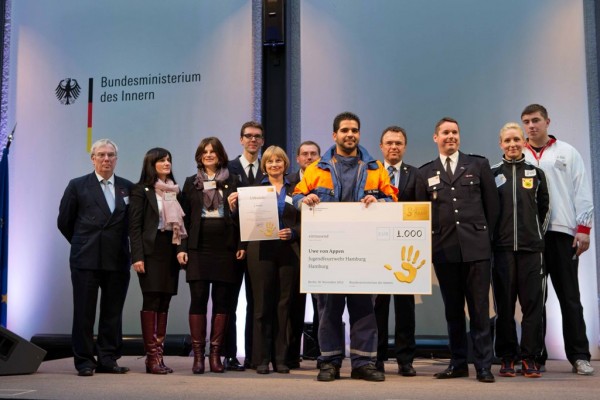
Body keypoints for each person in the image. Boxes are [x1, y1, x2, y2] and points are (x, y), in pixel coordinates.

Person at [292, 112, 397, 382]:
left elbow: (391, 198)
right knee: (328, 310)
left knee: (364, 310)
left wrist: (380, 203)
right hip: (329, 252)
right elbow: (296, 196)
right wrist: (305, 200)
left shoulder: (375, 167)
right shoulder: (317, 168)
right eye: (345, 130)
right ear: (334, 135)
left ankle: (363, 363)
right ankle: (330, 362)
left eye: (354, 130)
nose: (350, 134)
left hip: (365, 251)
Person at [415, 117, 499, 383]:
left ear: (459, 136)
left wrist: (487, 240)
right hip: (444, 249)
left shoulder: (478, 165)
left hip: (476, 248)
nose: (450, 136)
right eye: (445, 132)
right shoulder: (424, 173)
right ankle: (458, 363)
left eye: (454, 132)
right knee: (452, 311)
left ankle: (483, 366)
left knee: (479, 310)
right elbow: (421, 215)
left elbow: (492, 206)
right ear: (436, 138)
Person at [521, 104, 594, 375]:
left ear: (547, 122)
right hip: (531, 237)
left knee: (570, 297)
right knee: (535, 300)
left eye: (535, 120)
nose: (531, 126)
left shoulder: (567, 152)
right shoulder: (519, 155)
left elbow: (581, 189)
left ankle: (579, 356)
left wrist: (584, 229)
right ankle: (536, 357)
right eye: (526, 121)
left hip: (563, 233)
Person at [57, 139, 133, 377]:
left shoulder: (127, 187)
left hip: (117, 257)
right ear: (92, 159)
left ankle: (108, 358)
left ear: (116, 159)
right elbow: (64, 221)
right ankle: (84, 361)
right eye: (101, 155)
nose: (106, 159)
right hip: (86, 258)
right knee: (84, 312)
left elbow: (133, 224)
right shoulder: (78, 185)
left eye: (111, 155)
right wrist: (82, 243)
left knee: (113, 312)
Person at [229, 145, 301, 374]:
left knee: (284, 306)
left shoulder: (297, 189)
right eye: (270, 161)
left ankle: (281, 359)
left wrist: (294, 232)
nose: (274, 165)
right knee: (261, 306)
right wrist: (234, 209)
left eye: (278, 161)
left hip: (289, 250)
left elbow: (306, 219)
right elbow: (243, 222)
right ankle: (261, 358)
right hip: (259, 250)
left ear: (285, 164)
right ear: (264, 165)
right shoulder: (253, 190)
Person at [178, 137, 246, 374]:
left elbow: (241, 217)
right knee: (198, 299)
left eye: (213, 151)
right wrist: (181, 248)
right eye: (204, 151)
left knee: (222, 301)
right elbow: (183, 219)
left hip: (225, 248)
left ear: (220, 155)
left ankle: (216, 355)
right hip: (198, 248)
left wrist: (241, 244)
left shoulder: (233, 181)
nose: (208, 155)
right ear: (199, 156)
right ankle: (198, 356)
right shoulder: (191, 183)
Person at [491, 123, 549, 378]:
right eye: (507, 140)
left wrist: (537, 236)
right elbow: (487, 210)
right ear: (500, 144)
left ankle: (530, 357)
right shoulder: (492, 174)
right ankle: (507, 356)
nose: (512, 144)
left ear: (523, 142)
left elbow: (545, 209)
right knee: (504, 306)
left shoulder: (536, 173)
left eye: (516, 139)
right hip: (502, 250)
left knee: (532, 306)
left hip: (531, 250)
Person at [129, 148, 187, 374]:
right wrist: (137, 256)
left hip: (170, 250)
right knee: (152, 300)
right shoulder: (141, 190)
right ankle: (151, 358)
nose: (166, 163)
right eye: (161, 160)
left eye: (168, 159)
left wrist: (181, 250)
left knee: (165, 301)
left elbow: (181, 225)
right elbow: (135, 226)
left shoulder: (174, 189)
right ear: (151, 164)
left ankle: (159, 357)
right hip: (150, 251)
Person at [373, 126, 418, 376]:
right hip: (377, 250)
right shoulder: (370, 173)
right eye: (389, 143)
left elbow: (422, 210)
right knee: (377, 307)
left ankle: (405, 360)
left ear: (405, 147)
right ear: (381, 147)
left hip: (406, 251)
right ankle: (377, 358)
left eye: (398, 143)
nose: (394, 147)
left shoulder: (416, 174)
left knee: (405, 307)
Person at [224, 121, 265, 370]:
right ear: (241, 139)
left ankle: (253, 355)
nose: (253, 140)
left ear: (262, 141)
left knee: (257, 302)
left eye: (257, 136)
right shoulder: (227, 168)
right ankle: (229, 354)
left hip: (260, 244)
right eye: (248, 136)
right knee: (229, 302)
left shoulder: (269, 168)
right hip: (231, 244)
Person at [287, 140, 321, 369]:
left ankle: (322, 355)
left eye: (313, 154)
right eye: (305, 154)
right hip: (293, 251)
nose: (309, 157)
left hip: (323, 249)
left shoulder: (327, 180)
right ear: (298, 159)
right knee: (294, 305)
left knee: (322, 306)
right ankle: (291, 355)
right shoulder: (287, 183)